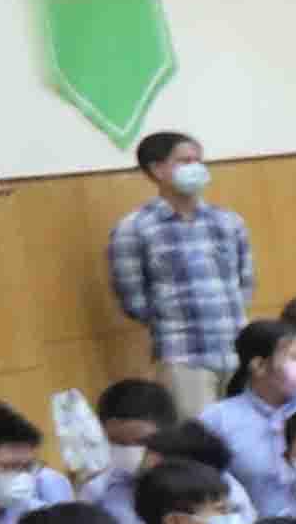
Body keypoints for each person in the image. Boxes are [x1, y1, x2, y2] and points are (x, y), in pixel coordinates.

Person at [105, 132, 260, 395]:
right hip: (183, 357)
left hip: (237, 351)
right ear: (157, 170)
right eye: (185, 161)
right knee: (195, 423)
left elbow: (245, 282)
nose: (196, 167)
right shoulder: (133, 228)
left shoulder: (228, 221)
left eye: (198, 161)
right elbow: (133, 300)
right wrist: (172, 321)